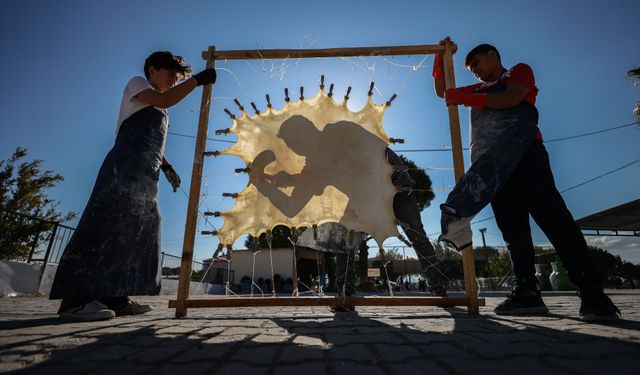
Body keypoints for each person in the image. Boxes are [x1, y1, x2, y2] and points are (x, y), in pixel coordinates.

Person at [433, 37, 620, 322]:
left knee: (553, 218)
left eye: (477, 64)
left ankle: (593, 293)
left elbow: (511, 98)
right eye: (471, 71)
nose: (476, 72)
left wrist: (467, 98)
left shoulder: (517, 72)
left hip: (524, 155)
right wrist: (439, 56)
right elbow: (443, 91)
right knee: (513, 231)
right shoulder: (481, 88)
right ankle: (527, 293)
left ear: (493, 56)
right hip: (492, 167)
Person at [49, 51, 216, 321]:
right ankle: (74, 300)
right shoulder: (138, 84)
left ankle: (115, 296)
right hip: (122, 170)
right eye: (171, 73)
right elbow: (163, 99)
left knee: (140, 230)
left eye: (178, 76)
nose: (175, 79)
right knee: (106, 225)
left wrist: (167, 166)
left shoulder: (161, 111)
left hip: (146, 177)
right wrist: (196, 81)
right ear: (153, 69)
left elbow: (154, 141)